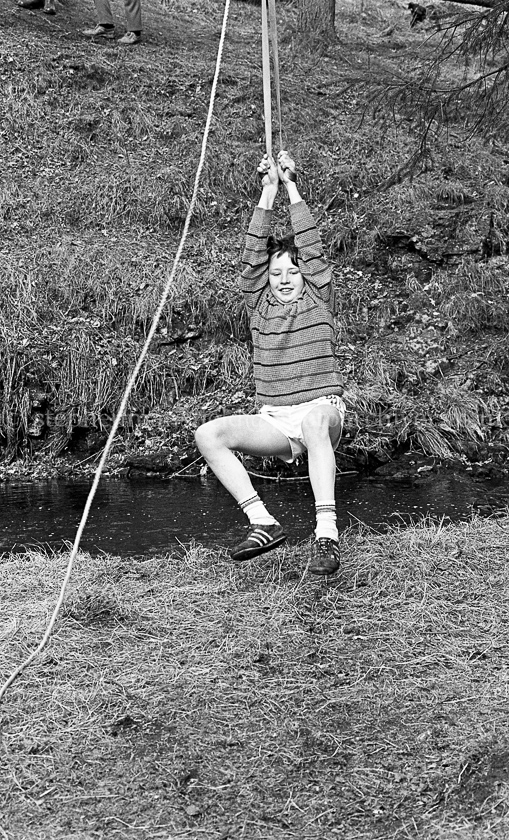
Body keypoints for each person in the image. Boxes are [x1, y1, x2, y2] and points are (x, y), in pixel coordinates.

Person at [195, 150, 346, 576]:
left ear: (305, 278)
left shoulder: (320, 297)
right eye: (277, 272)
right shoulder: (258, 304)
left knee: (316, 423)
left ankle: (326, 534)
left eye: (292, 272)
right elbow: (250, 262)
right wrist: (267, 192)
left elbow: (313, 251)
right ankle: (262, 522)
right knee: (209, 434)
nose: (284, 278)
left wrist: (291, 187)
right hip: (276, 418)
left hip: (322, 410)